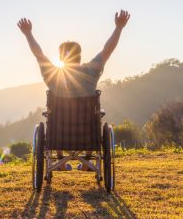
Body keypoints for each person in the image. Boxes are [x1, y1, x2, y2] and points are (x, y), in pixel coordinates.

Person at [18, 10, 130, 170]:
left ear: (61, 57)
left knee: (53, 115)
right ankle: (87, 164)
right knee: (94, 117)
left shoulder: (53, 75)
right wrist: (119, 28)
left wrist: (28, 34)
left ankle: (60, 163)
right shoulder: (91, 71)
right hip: (87, 136)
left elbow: (39, 54)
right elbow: (107, 51)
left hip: (59, 135)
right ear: (79, 56)